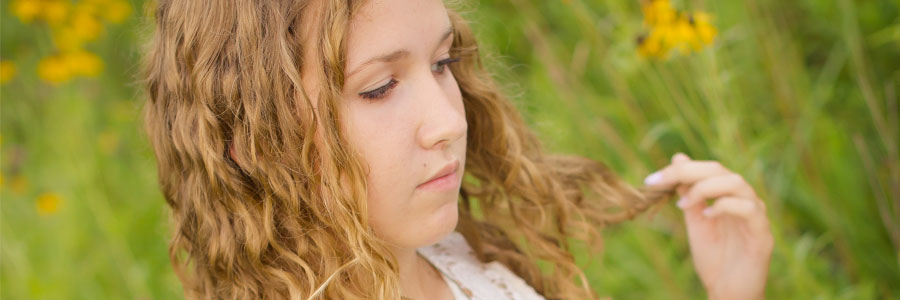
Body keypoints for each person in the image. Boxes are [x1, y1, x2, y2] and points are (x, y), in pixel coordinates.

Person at [140, 0, 774, 299]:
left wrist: (732, 293)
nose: (449, 121)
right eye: (380, 87)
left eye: (443, 63)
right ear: (251, 138)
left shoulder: (452, 259)